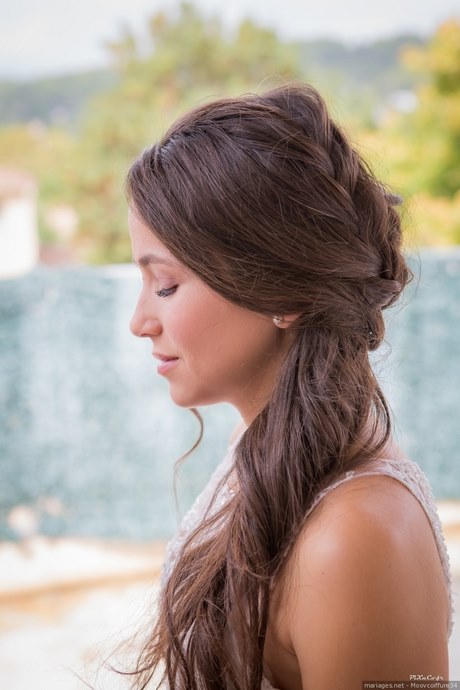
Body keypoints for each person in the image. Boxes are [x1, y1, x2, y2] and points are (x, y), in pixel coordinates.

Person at [125, 83, 453, 690]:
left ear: (283, 292)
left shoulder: (359, 536)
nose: (140, 322)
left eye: (165, 285)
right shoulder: (269, 446)